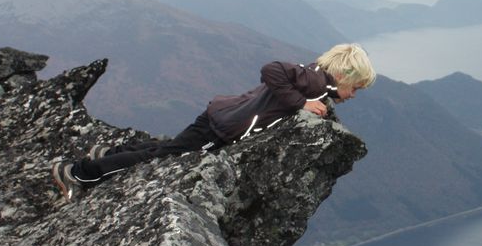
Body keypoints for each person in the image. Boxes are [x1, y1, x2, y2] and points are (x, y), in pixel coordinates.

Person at [51, 43, 375, 201]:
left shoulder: (316, 80)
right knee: (165, 157)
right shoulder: (314, 83)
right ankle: (80, 174)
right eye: (356, 88)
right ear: (344, 75)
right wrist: (302, 102)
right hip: (221, 127)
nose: (354, 95)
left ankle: (108, 154)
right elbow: (271, 69)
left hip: (220, 117)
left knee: (169, 148)